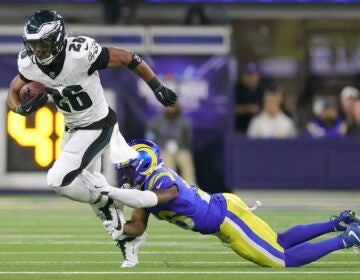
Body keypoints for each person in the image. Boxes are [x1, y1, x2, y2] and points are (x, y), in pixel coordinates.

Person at [7, 10, 177, 268]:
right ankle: (128, 241)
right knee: (92, 193)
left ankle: (111, 197)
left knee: (59, 180)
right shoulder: (30, 64)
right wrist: (19, 109)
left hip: (97, 125)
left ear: (57, 39)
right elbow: (14, 90)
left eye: (42, 44)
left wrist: (157, 86)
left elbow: (128, 58)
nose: (37, 50)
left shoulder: (80, 53)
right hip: (72, 128)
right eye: (32, 45)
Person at [82, 139, 360, 268]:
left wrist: (111, 191)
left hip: (226, 220)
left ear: (143, 165)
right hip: (225, 207)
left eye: (129, 169)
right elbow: (138, 225)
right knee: (279, 239)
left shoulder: (159, 181)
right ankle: (336, 223)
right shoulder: (145, 188)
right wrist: (116, 227)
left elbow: (155, 199)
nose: (125, 174)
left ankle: (347, 238)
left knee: (281, 260)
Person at [146, 104, 196, 184]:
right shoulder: (157, 120)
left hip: (180, 148)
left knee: (186, 159)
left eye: (174, 107)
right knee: (168, 164)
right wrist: (158, 146)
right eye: (169, 106)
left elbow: (188, 137)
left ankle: (191, 186)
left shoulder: (184, 121)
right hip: (164, 148)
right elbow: (150, 135)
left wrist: (180, 145)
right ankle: (171, 184)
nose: (171, 109)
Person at [234, 62, 269, 133]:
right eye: (249, 75)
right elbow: (229, 109)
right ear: (243, 76)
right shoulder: (236, 90)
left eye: (254, 75)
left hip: (260, 130)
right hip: (240, 128)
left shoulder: (263, 90)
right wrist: (247, 109)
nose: (251, 78)